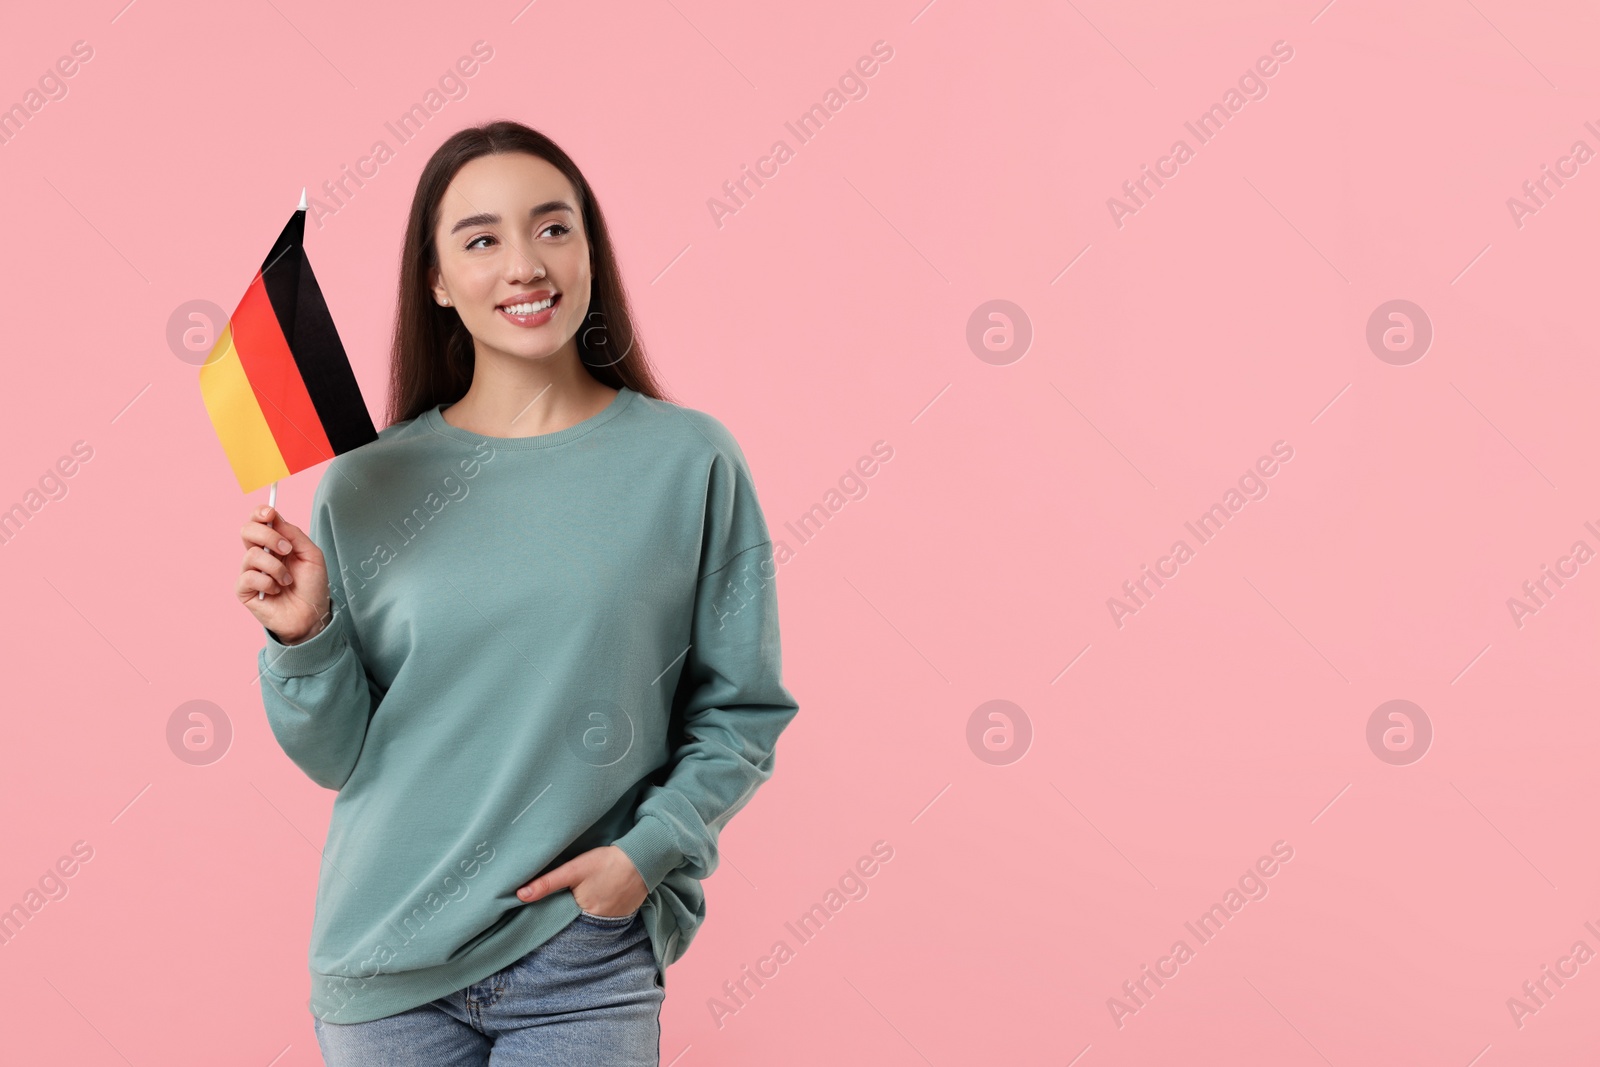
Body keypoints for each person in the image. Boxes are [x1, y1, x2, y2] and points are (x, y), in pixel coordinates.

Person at [234, 120, 799, 1065]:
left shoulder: (688, 460)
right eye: (482, 239)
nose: (525, 265)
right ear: (438, 281)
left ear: (589, 250)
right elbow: (339, 759)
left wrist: (648, 852)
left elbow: (741, 710)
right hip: (381, 959)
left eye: (552, 228)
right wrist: (305, 639)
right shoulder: (365, 482)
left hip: (578, 956)